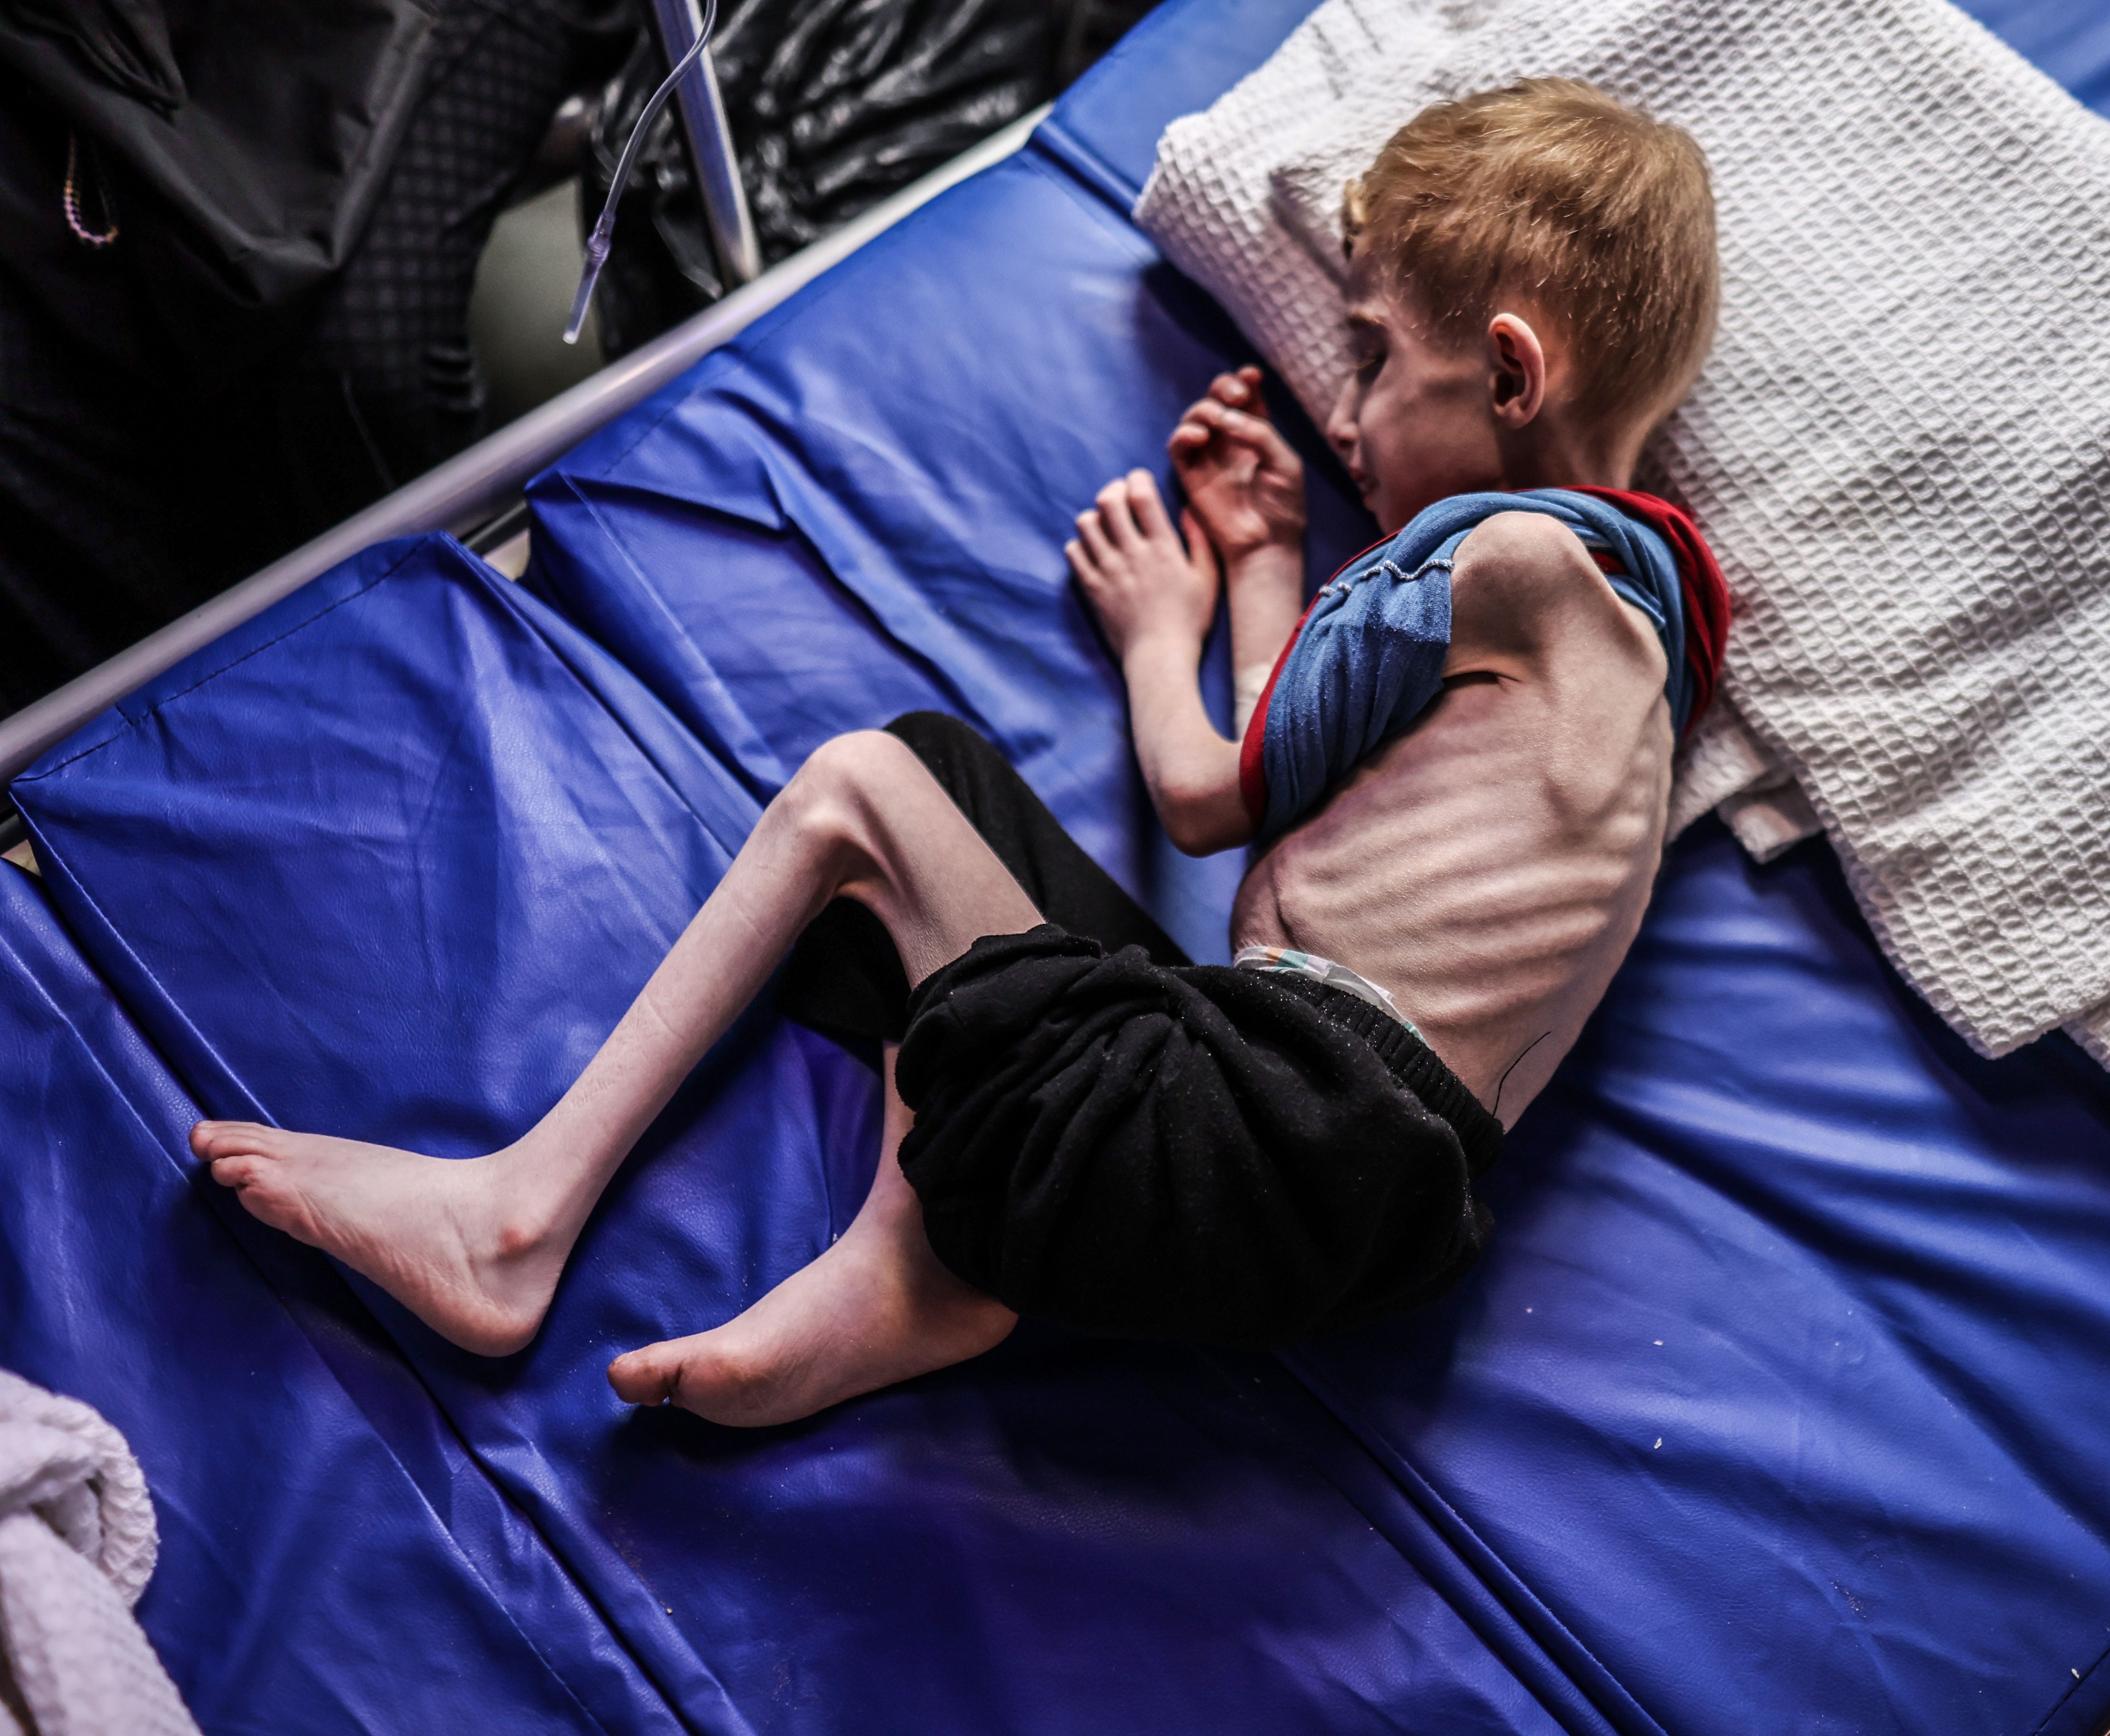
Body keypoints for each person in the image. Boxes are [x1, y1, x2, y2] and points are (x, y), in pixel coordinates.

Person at [188, 79, 1727, 1427]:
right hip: (1355, 1192)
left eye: (1380, 360)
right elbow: (1331, 799)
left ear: (1514, 378)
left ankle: (513, 1224)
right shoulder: (1636, 644)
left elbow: (1210, 796)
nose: (1350, 408)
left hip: (1251, 1126)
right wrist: (1260, 556)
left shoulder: (1507, 558)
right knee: (951, 786)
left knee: (863, 788)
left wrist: (1153, 627)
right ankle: (922, 1273)